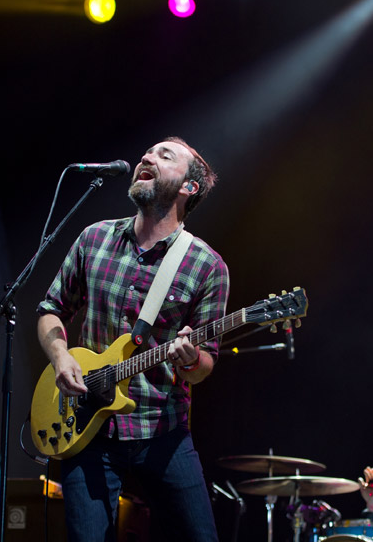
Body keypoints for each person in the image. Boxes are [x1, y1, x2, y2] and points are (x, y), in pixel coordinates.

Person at [36, 136, 229, 541]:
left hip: (162, 432)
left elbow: (204, 367)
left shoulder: (206, 265)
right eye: (148, 152)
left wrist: (191, 358)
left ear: (188, 187)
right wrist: (60, 356)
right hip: (87, 429)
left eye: (164, 155)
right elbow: (50, 309)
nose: (147, 156)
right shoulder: (95, 239)